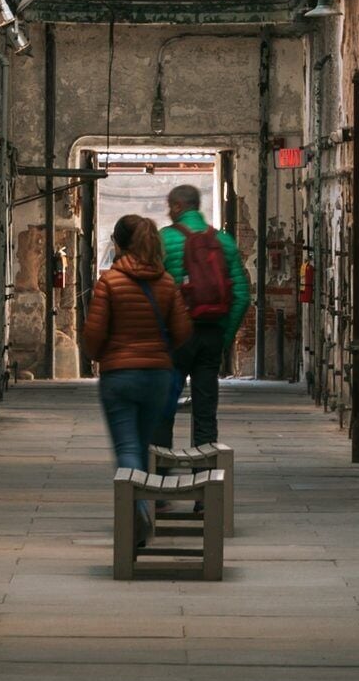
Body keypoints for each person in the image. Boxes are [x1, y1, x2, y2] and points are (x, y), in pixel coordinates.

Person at [82, 214, 191, 493]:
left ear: (118, 243)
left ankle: (138, 509)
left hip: (119, 375)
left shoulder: (109, 282)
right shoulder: (166, 282)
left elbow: (94, 334)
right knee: (144, 443)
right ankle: (148, 500)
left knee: (127, 446)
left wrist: (99, 355)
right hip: (157, 375)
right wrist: (160, 352)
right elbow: (181, 331)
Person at [158, 182, 250, 446]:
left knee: (164, 404)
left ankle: (160, 466)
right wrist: (224, 335)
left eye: (170, 208)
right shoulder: (222, 241)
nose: (169, 213)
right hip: (211, 332)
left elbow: (153, 291)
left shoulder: (164, 239)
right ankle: (205, 465)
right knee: (206, 406)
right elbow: (242, 295)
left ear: (177, 206)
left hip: (175, 335)